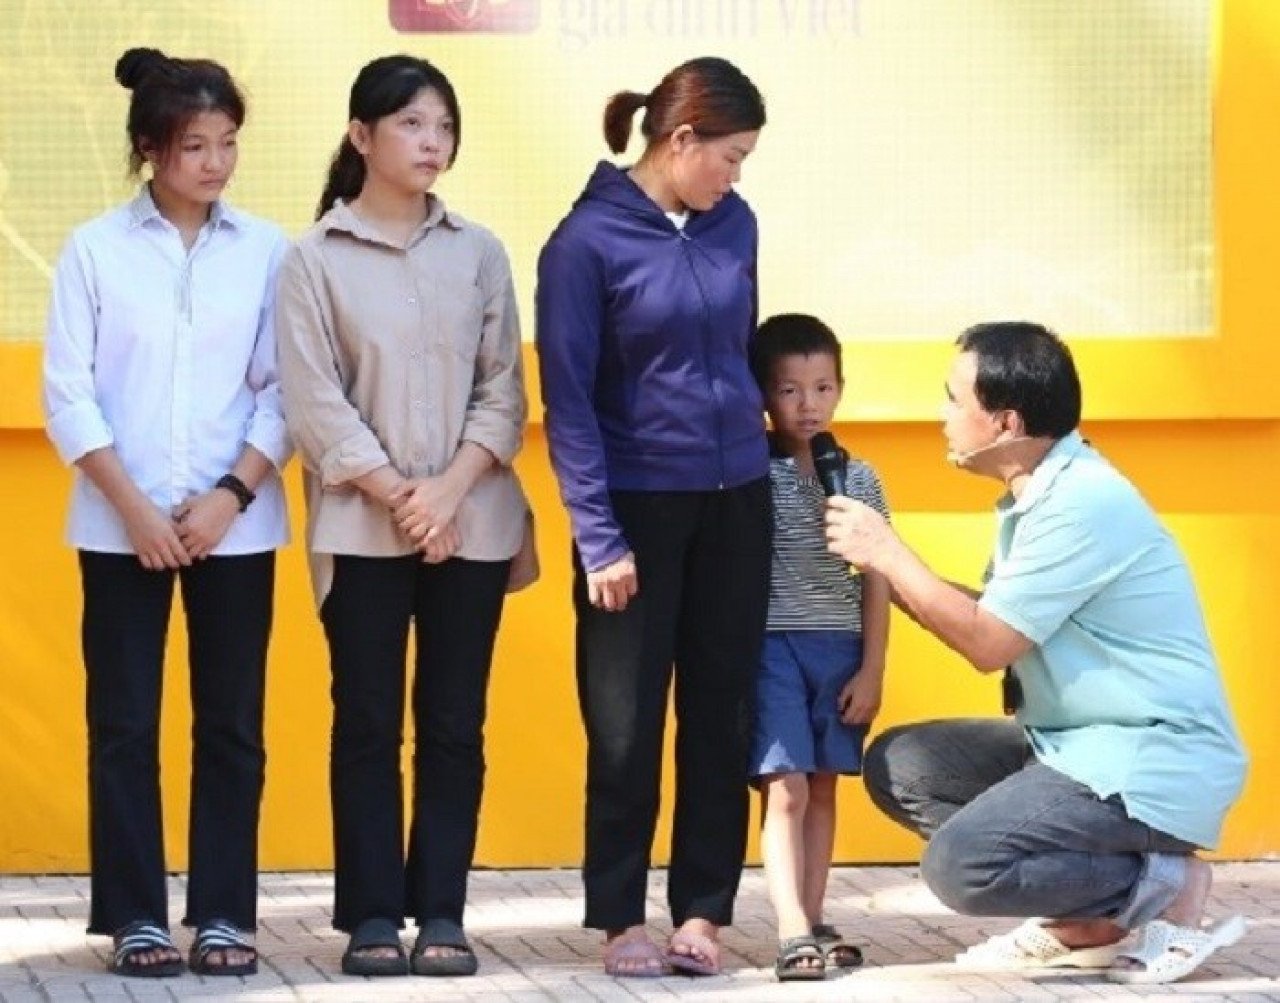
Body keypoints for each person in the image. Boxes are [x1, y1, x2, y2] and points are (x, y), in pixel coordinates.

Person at [824, 321, 1248, 986]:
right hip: (1072, 744)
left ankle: (1163, 880)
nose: (941, 416)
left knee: (962, 866)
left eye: (953, 400)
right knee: (903, 764)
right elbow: (998, 618)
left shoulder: (1081, 503)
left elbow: (989, 644)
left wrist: (890, 553)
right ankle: (1093, 922)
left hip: (1146, 754)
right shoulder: (1041, 493)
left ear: (1005, 421)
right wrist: (893, 576)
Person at [275, 55, 532, 979]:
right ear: (361, 136)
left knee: (456, 723)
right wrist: (401, 496)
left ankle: (445, 914)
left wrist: (449, 490)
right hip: (362, 525)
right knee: (368, 720)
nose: (432, 143)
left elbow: (505, 391)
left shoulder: (481, 252)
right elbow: (315, 404)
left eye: (444, 127)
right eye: (413, 125)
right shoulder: (312, 259)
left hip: (473, 521)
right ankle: (374, 915)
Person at [41, 47, 290, 978]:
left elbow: (284, 390)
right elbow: (69, 393)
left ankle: (223, 913)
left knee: (231, 725)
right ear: (150, 148)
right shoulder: (94, 248)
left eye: (228, 143)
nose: (216, 163)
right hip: (118, 527)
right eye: (195, 145)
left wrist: (231, 495)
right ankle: (138, 915)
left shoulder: (267, 250)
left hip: (238, 526)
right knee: (124, 722)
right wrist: (136, 509)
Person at [536, 56, 770, 978]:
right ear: (681, 142)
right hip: (634, 507)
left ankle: (704, 911)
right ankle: (619, 915)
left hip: (736, 501)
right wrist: (598, 535)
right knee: (626, 723)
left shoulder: (734, 223)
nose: (737, 176)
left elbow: (743, 346)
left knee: (721, 709)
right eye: (730, 156)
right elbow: (570, 400)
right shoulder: (584, 243)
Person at [746, 314, 889, 981]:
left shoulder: (859, 479)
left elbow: (878, 580)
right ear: (763, 396)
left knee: (825, 785)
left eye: (823, 387)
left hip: (840, 648)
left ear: (840, 388)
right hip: (772, 647)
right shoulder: (753, 476)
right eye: (790, 390)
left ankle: (815, 908)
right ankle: (791, 926)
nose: (809, 404)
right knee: (786, 786)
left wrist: (872, 667)